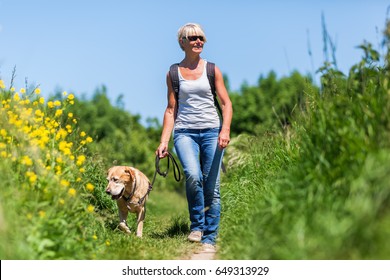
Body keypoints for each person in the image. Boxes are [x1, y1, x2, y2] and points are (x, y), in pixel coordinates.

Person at [156, 23, 233, 252]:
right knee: (192, 174)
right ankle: (197, 226)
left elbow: (226, 103)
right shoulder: (173, 73)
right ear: (182, 42)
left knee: (212, 186)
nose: (198, 41)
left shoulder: (212, 69)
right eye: (193, 38)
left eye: (201, 37)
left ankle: (210, 237)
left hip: (212, 131)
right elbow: (171, 109)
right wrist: (163, 141)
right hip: (184, 132)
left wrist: (225, 130)